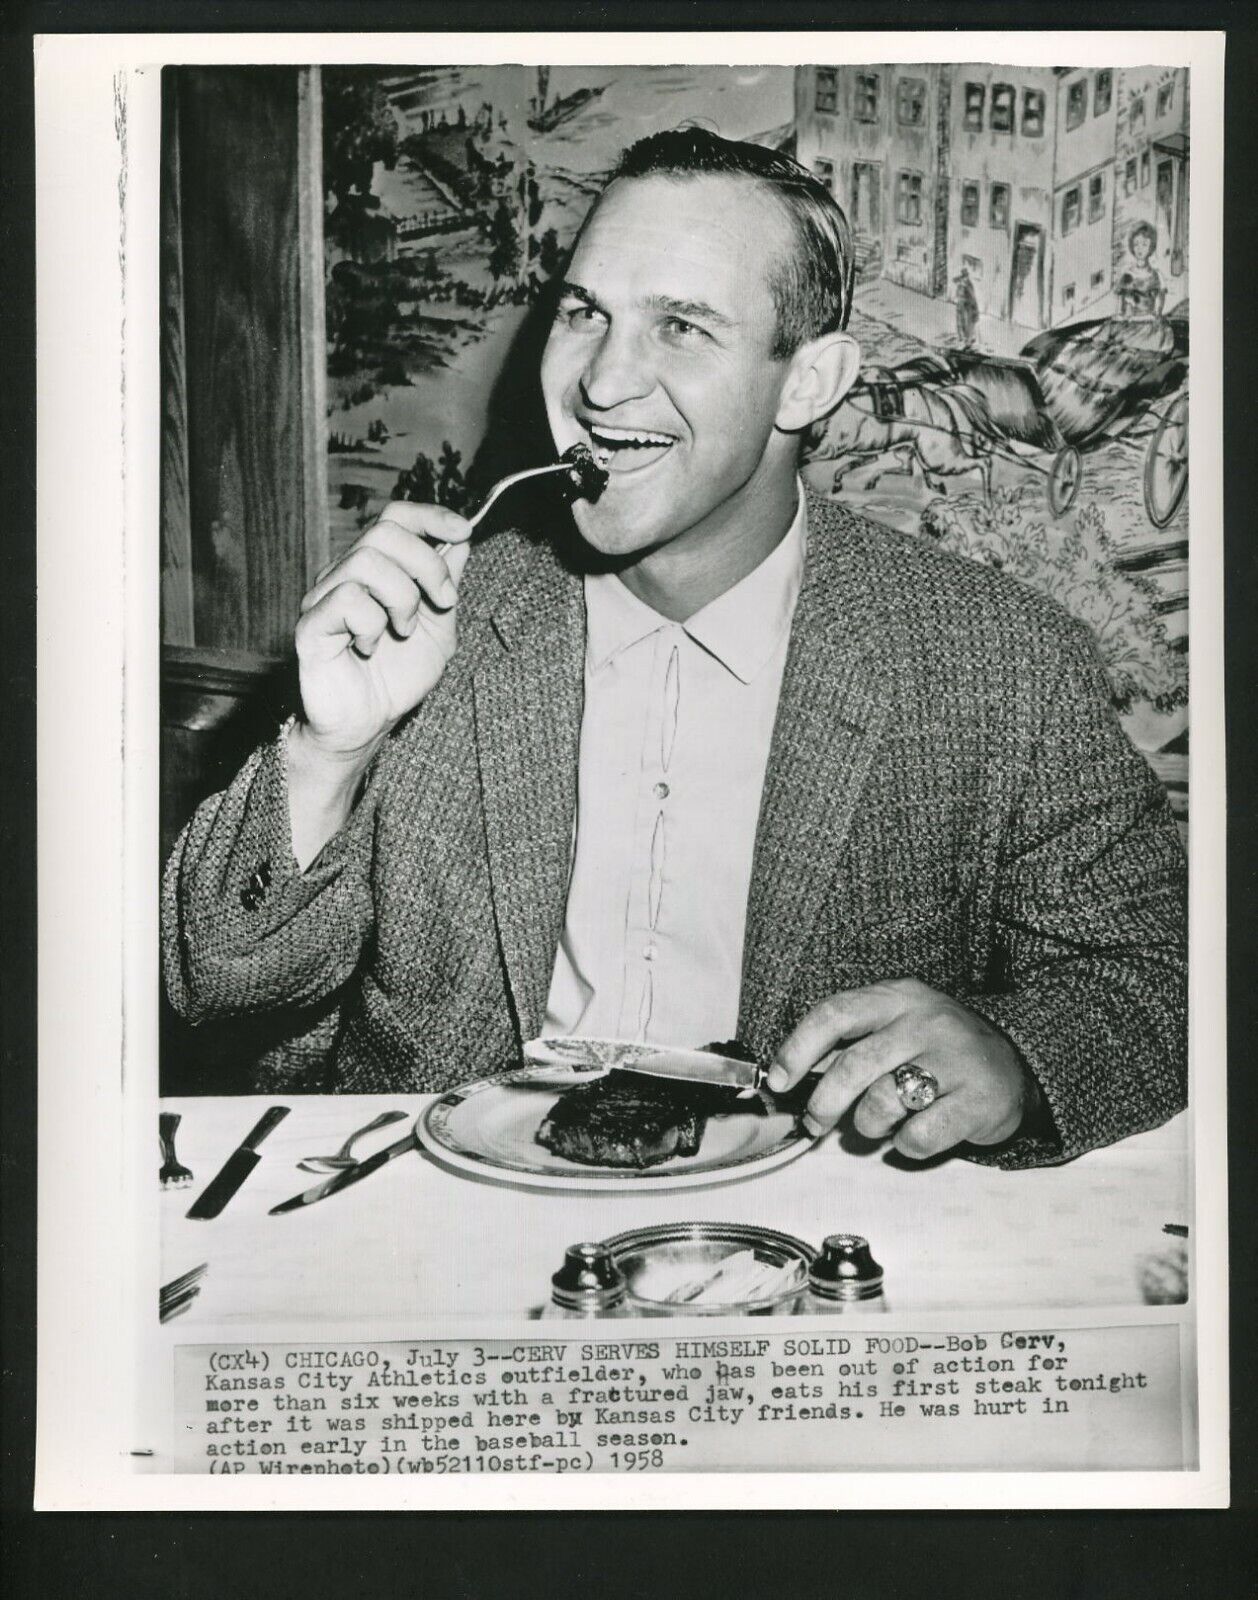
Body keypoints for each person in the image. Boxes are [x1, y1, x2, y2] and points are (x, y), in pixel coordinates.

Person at [163, 129, 1186, 1169]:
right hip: (442, 1240)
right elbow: (217, 986)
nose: (602, 384)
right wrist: (325, 750)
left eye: (682, 327)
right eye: (583, 313)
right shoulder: (437, 620)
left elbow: (1163, 975)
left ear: (808, 383)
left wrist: (1011, 1055)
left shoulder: (999, 659)